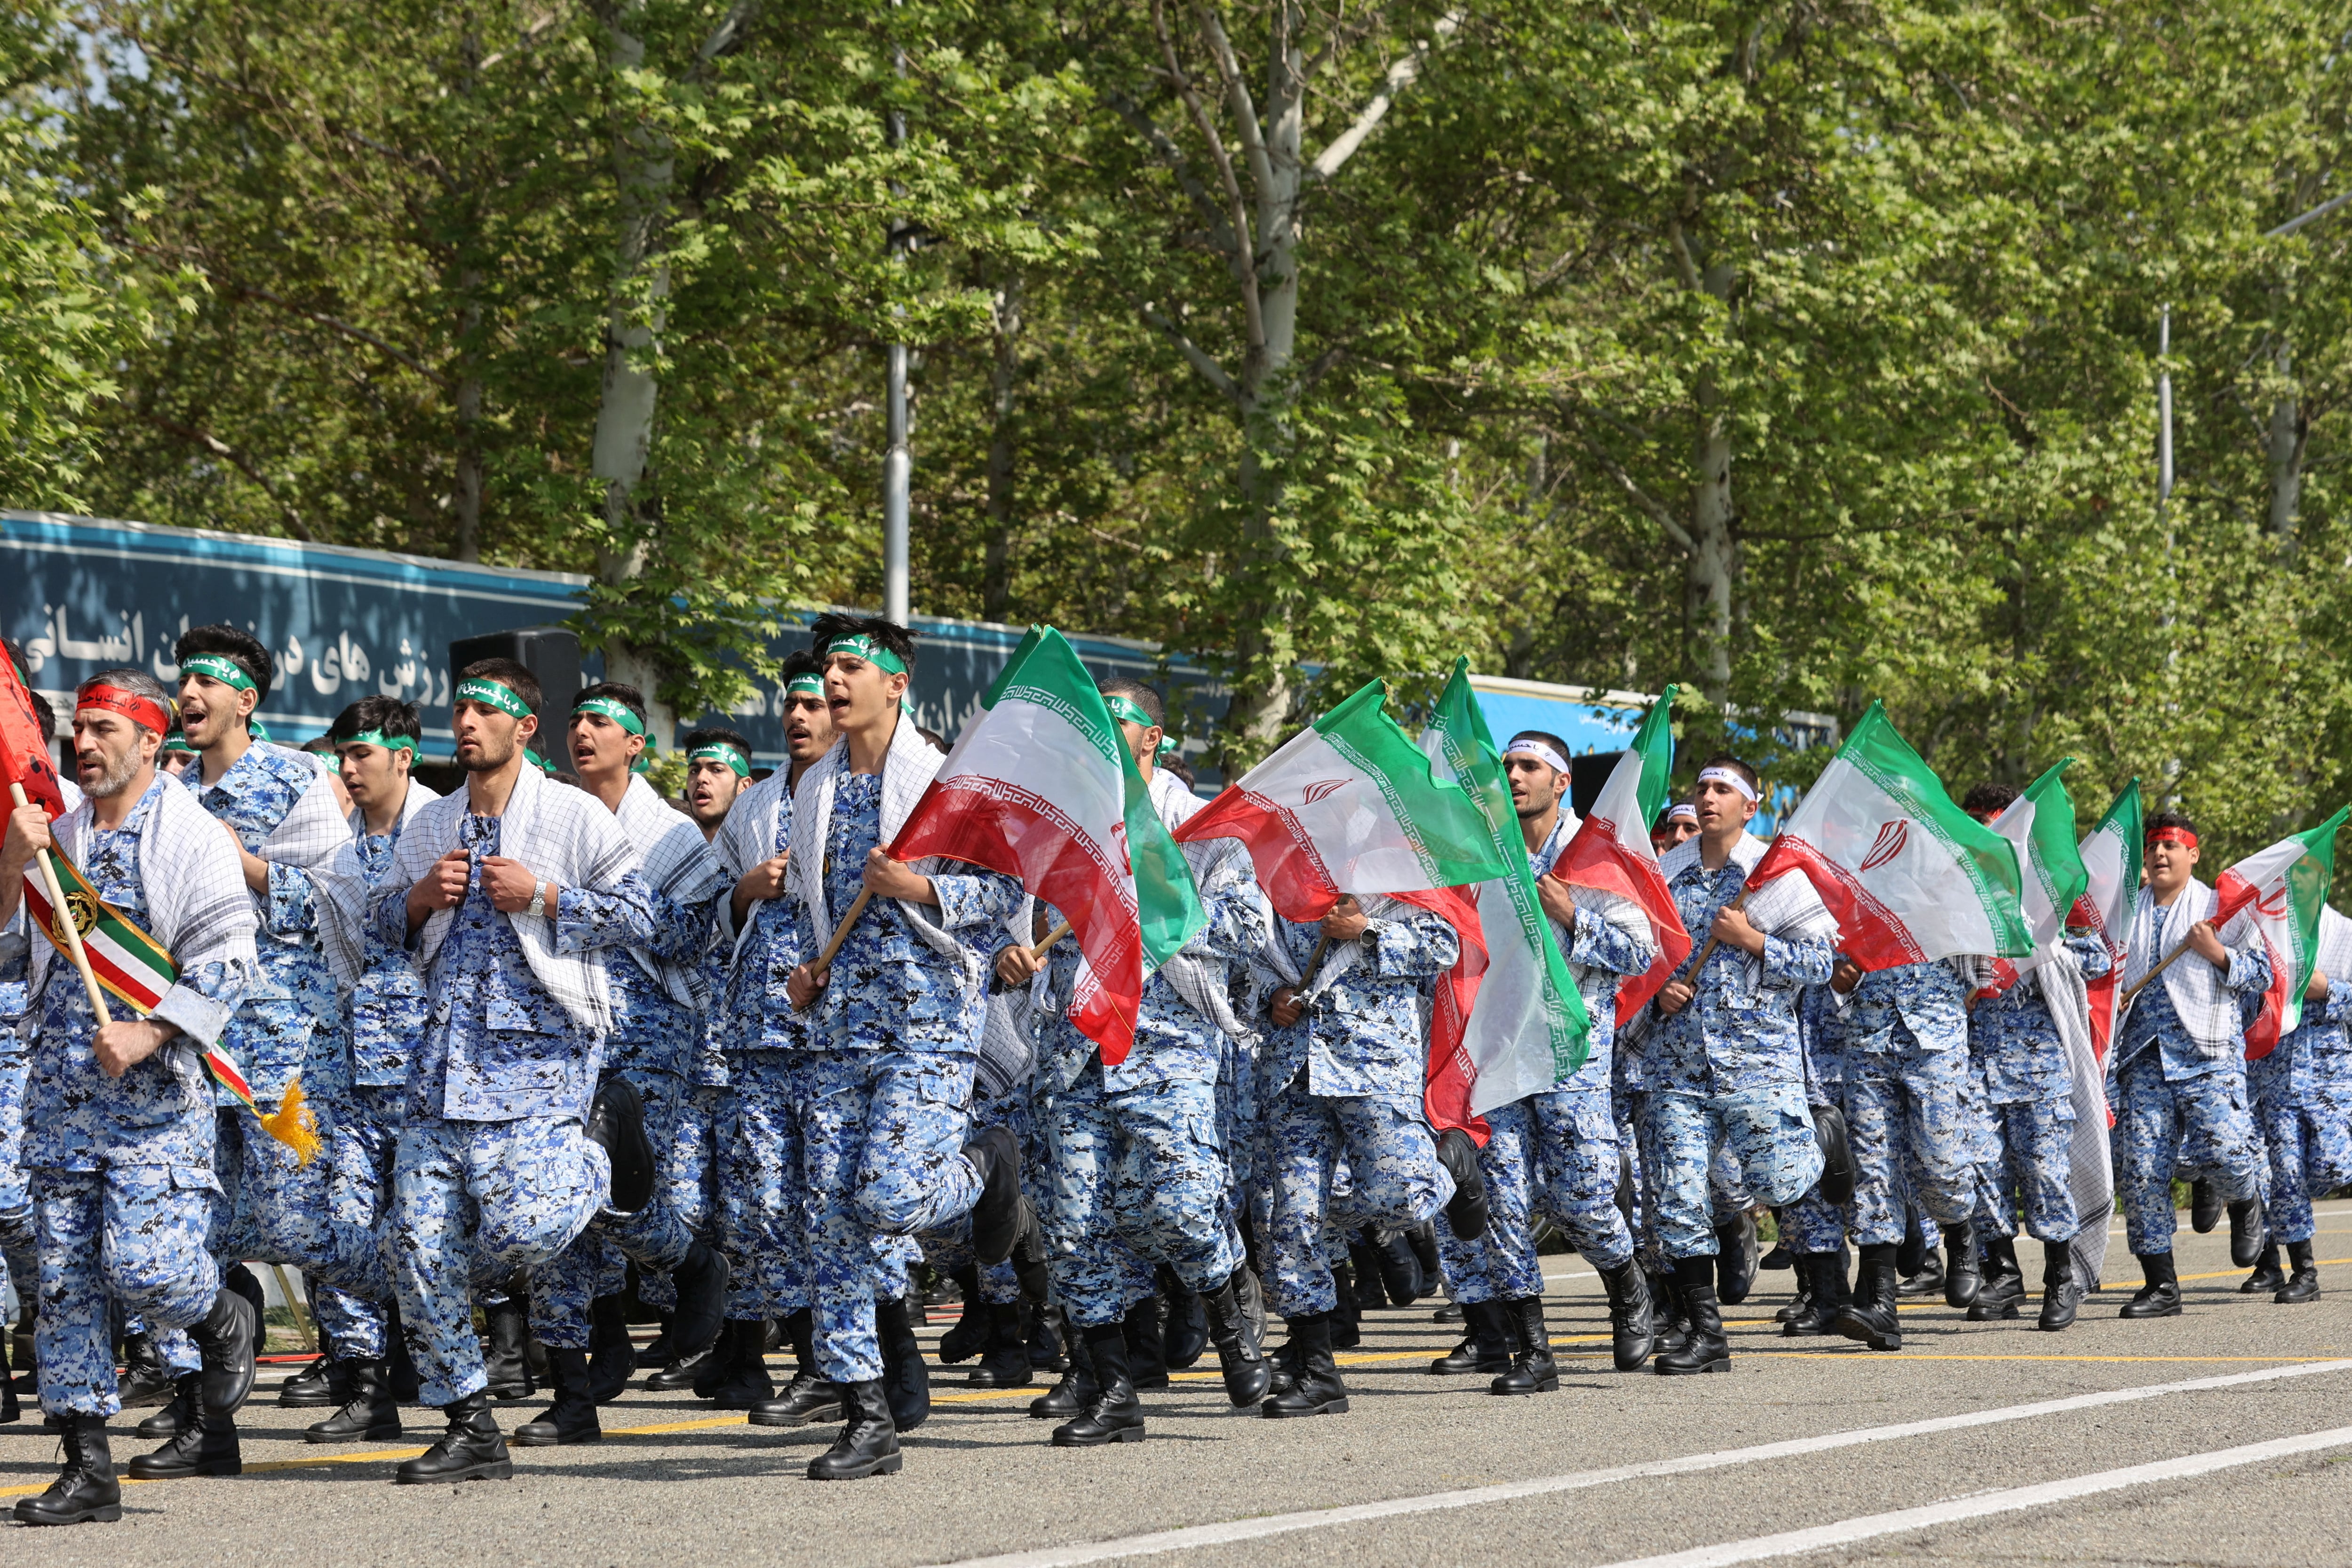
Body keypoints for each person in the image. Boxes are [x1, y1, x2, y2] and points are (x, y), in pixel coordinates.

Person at [366, 658, 658, 1483]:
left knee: (524, 1232)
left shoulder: (571, 815)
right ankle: (470, 1422)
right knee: (416, 1244)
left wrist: (547, 894)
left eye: (485, 711)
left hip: (539, 1064)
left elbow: (642, 914)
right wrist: (419, 896)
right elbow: (378, 923)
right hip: (440, 1069)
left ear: (525, 727)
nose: (466, 723)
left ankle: (601, 1153)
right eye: (459, 708)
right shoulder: (429, 823)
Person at [1, 669, 261, 1522]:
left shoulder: (191, 833)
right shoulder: (55, 836)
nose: (86, 742)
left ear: (153, 740)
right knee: (67, 1285)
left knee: (145, 1269)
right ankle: (87, 1466)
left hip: (154, 1104)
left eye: (106, 727)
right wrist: (13, 857)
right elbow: (6, 948)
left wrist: (149, 1032)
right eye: (80, 727)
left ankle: (222, 1314)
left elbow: (231, 964)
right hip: (62, 1099)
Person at [993, 678, 1271, 1446]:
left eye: (1116, 721)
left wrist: (1165, 901)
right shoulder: (1064, 830)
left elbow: (1246, 925)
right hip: (1075, 1048)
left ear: (1153, 736)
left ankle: (1227, 1302)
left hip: (1166, 1038)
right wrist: (1014, 958)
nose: (1102, 735)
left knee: (1179, 1202)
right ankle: (1112, 1387)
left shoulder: (1196, 824)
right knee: (1077, 1226)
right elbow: (1021, 922)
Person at [780, 616, 1026, 1480]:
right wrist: (807, 970)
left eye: (852, 666)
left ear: (897, 683)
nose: (834, 681)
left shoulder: (950, 786)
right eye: (827, 668)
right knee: (830, 1213)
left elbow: (1004, 894)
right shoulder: (812, 789)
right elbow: (815, 910)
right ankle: (865, 1411)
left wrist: (917, 884)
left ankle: (987, 1168)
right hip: (839, 1024)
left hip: (927, 1019)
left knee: (886, 1195)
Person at [517, 681, 731, 1446]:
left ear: (637, 742)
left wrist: (561, 900)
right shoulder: (548, 818)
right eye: (576, 720)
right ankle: (577, 1379)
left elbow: (688, 937)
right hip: (565, 1027)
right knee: (558, 1195)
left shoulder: (672, 835)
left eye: (602, 722)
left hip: (652, 1033)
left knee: (621, 1197)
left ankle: (693, 1262)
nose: (584, 732)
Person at [167, 624, 352, 1465]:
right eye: (183, 680)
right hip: (191, 1031)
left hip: (282, 1038)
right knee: (179, 1211)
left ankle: (365, 1370)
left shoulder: (296, 776)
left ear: (246, 698)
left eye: (206, 681)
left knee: (298, 1209)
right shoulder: (166, 789)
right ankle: (200, 1417)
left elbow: (334, 901)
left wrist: (232, 861)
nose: (189, 695)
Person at [1250, 855, 1485, 1418]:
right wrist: (1271, 997)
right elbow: (1253, 955)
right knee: (1290, 1221)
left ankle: (1449, 1163)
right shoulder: (1286, 867)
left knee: (1399, 1195)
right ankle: (1317, 1372)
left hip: (1371, 1062)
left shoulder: (1396, 865)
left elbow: (1443, 946)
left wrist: (1368, 930)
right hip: (1293, 1070)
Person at [1644, 756, 1836, 1373]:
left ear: (1750, 806)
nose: (1708, 798)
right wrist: (1659, 989)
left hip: (1757, 1061)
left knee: (1782, 1180)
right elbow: (1642, 955)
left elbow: (1821, 965)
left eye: (1723, 789)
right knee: (1676, 1198)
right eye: (1701, 788)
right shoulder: (1666, 871)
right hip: (1679, 1064)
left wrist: (1755, 940)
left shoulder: (1774, 875)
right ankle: (1706, 1332)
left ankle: (1827, 1159)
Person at [296, 696, 441, 1442]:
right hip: (351, 1072)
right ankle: (365, 1382)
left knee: (426, 1228)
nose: (347, 769)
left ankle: (452, 1367)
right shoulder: (337, 854)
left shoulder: (445, 832)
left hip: (433, 1074)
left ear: (403, 758)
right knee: (346, 1222)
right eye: (341, 756)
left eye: (362, 755)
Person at [710, 658, 842, 1420]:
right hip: (756, 1034)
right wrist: (743, 889)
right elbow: (709, 906)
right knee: (764, 1204)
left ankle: (847, 1355)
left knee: (827, 1199)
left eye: (813, 704)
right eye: (790, 703)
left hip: (827, 1036)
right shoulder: (753, 803)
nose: (797, 716)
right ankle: (810, 1357)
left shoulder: (856, 796)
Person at [631, 723, 757, 1379]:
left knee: (740, 1204)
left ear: (747, 784)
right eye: (697, 767)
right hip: (685, 1052)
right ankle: (695, 1329)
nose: (703, 779)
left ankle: (739, 1345)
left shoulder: (752, 857)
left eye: (719, 769)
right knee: (682, 1200)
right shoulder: (667, 851)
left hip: (741, 1054)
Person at [1958, 782, 2108, 1332]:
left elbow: (2095, 957)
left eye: (1992, 820)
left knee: (2044, 1172)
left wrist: (2039, 948)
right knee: (1980, 1169)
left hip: (2036, 1065)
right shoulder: (1960, 895)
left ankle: (2058, 1276)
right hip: (1974, 1063)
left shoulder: (2048, 901)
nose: (1983, 830)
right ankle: (2001, 1273)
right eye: (1972, 820)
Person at [2110, 812, 2272, 1318]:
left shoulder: (2218, 908)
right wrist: (2106, 997)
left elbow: (2260, 973)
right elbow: (2104, 969)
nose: (2160, 855)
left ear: (2193, 854)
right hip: (2143, 1058)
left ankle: (2245, 1201)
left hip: (2206, 1052)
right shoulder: (2123, 911)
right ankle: (2160, 1285)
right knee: (2139, 1172)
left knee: (2225, 1150)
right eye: (2153, 847)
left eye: (2171, 847)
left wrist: (2217, 953)